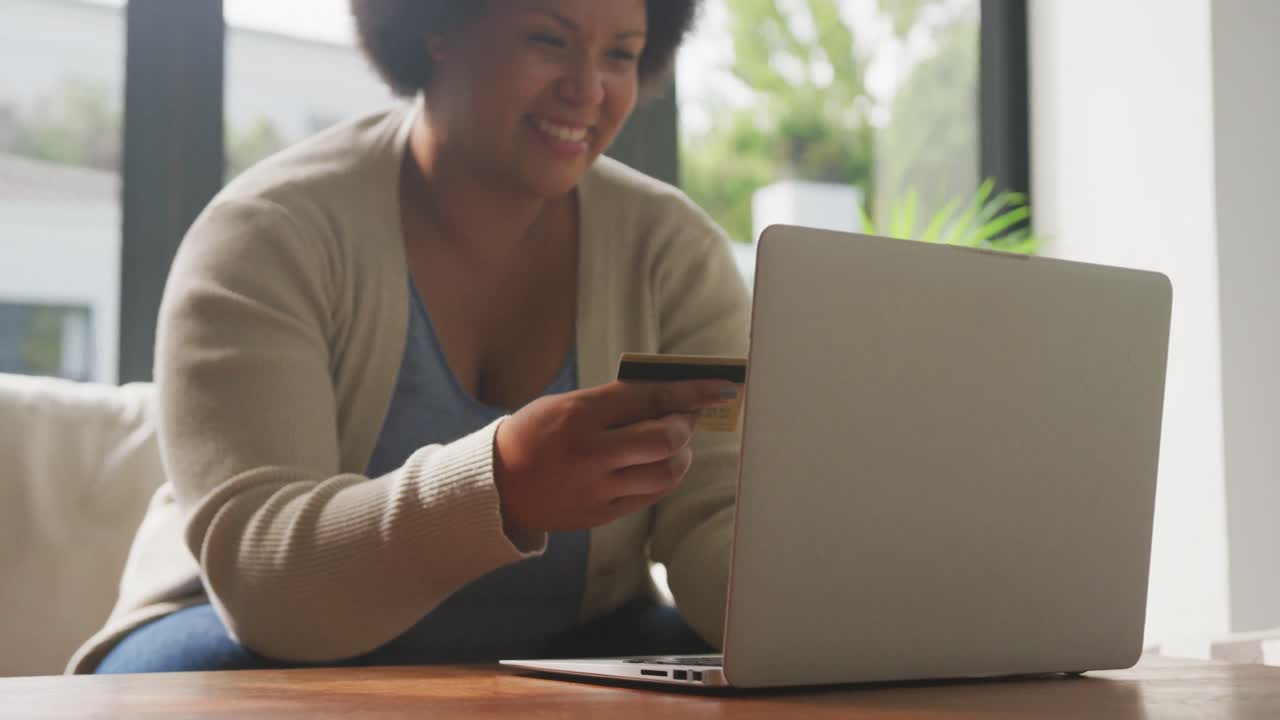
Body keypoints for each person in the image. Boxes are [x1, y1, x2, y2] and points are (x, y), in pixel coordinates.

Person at [72, 0, 750, 674]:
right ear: (436, 27)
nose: (588, 88)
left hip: (567, 640)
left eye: (621, 54)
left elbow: (719, 522)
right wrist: (500, 488)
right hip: (243, 635)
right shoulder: (269, 233)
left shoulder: (675, 254)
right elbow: (267, 584)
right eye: (548, 39)